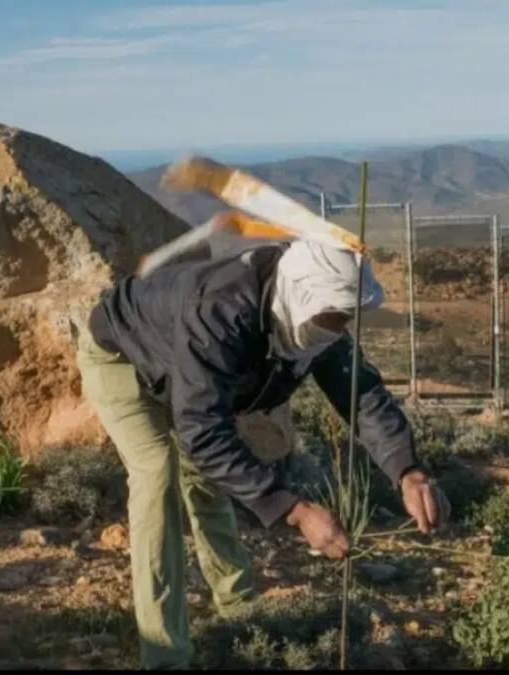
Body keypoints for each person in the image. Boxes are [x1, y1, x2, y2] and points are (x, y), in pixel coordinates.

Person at [73, 238, 450, 669]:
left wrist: (408, 470)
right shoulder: (220, 312)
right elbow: (203, 430)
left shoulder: (316, 319)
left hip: (184, 373)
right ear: (301, 298)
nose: (339, 326)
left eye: (347, 318)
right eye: (334, 316)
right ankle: (164, 653)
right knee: (157, 476)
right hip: (122, 358)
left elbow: (360, 392)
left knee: (208, 483)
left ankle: (238, 606)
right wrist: (297, 509)